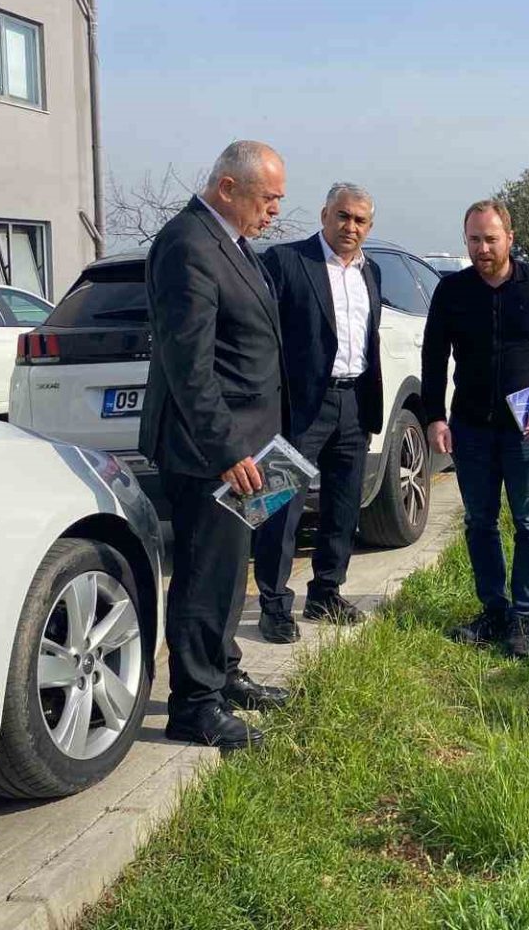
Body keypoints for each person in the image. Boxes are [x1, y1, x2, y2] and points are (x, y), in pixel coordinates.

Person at [139, 140, 292, 749]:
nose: (275, 211)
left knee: (231, 570)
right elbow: (189, 365)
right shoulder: (189, 244)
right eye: (268, 198)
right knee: (206, 573)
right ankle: (195, 705)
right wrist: (227, 448)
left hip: (253, 446)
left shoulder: (233, 242)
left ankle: (222, 673)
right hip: (215, 452)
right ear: (228, 187)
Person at [421, 199, 529, 658]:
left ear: (509, 238)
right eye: (474, 239)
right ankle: (493, 611)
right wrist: (435, 417)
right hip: (471, 430)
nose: (483, 248)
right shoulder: (452, 291)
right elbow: (433, 357)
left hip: (527, 429)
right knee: (479, 522)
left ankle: (523, 618)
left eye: (491, 239)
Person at [254, 183, 384, 641]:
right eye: (343, 216)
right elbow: (262, 335)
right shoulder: (287, 261)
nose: (350, 227)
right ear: (325, 214)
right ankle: (273, 605)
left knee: (343, 507)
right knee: (277, 508)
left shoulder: (371, 271)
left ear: (369, 226)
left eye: (360, 220)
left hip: (353, 402)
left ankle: (326, 593)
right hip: (297, 406)